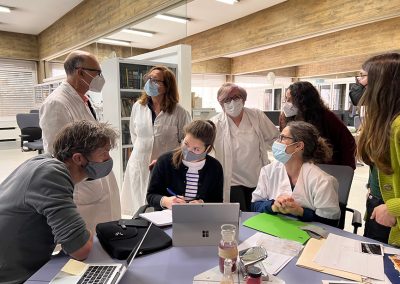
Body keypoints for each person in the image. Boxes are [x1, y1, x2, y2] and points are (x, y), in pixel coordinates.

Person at [0, 120, 118, 284]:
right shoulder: (51, 175)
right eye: (104, 153)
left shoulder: (43, 162)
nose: (108, 159)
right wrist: (82, 236)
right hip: (15, 277)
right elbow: (80, 249)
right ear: (78, 158)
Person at [39, 50, 120, 233]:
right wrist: (90, 171)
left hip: (96, 175)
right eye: (97, 72)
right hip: (83, 185)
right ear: (80, 72)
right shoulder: (56, 103)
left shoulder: (84, 98)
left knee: (107, 229)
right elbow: (56, 151)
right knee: (89, 236)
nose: (100, 78)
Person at [121, 66, 191, 215]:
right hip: (139, 164)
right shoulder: (138, 107)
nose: (149, 82)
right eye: (148, 79)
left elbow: (185, 143)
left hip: (166, 168)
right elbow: (135, 135)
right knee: (139, 207)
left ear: (167, 86)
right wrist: (145, 149)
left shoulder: (179, 112)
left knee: (161, 210)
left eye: (155, 80)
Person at [251, 121, 340, 226]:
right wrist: (272, 206)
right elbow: (255, 205)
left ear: (298, 146)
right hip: (273, 229)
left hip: (308, 236)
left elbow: (330, 222)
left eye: (283, 138)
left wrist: (300, 211)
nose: (277, 142)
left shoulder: (322, 181)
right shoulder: (268, 171)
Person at [211, 82, 279, 211]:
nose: (232, 102)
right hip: (232, 180)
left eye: (236, 97)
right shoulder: (215, 123)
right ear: (221, 103)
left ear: (243, 99)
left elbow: (274, 138)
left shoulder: (256, 115)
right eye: (227, 99)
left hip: (256, 177)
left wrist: (284, 157)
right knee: (240, 216)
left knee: (258, 214)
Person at [357, 53, 400, 247]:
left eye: (364, 77)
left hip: (391, 212)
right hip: (378, 204)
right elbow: (381, 164)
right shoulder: (382, 121)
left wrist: (394, 208)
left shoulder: (398, 126)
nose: (360, 83)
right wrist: (372, 187)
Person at [147, 120, 223, 210]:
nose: (188, 151)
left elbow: (218, 200)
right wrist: (166, 201)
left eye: (196, 149)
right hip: (168, 217)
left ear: (207, 148)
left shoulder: (215, 168)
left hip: (201, 218)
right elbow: (151, 196)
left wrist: (203, 203)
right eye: (186, 144)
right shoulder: (164, 161)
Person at [279, 81, 356, 169]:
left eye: (290, 100)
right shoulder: (285, 117)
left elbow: (347, 141)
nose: (286, 104)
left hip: (325, 167)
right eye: (286, 99)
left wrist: (346, 169)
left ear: (303, 101)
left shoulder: (326, 117)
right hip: (297, 166)